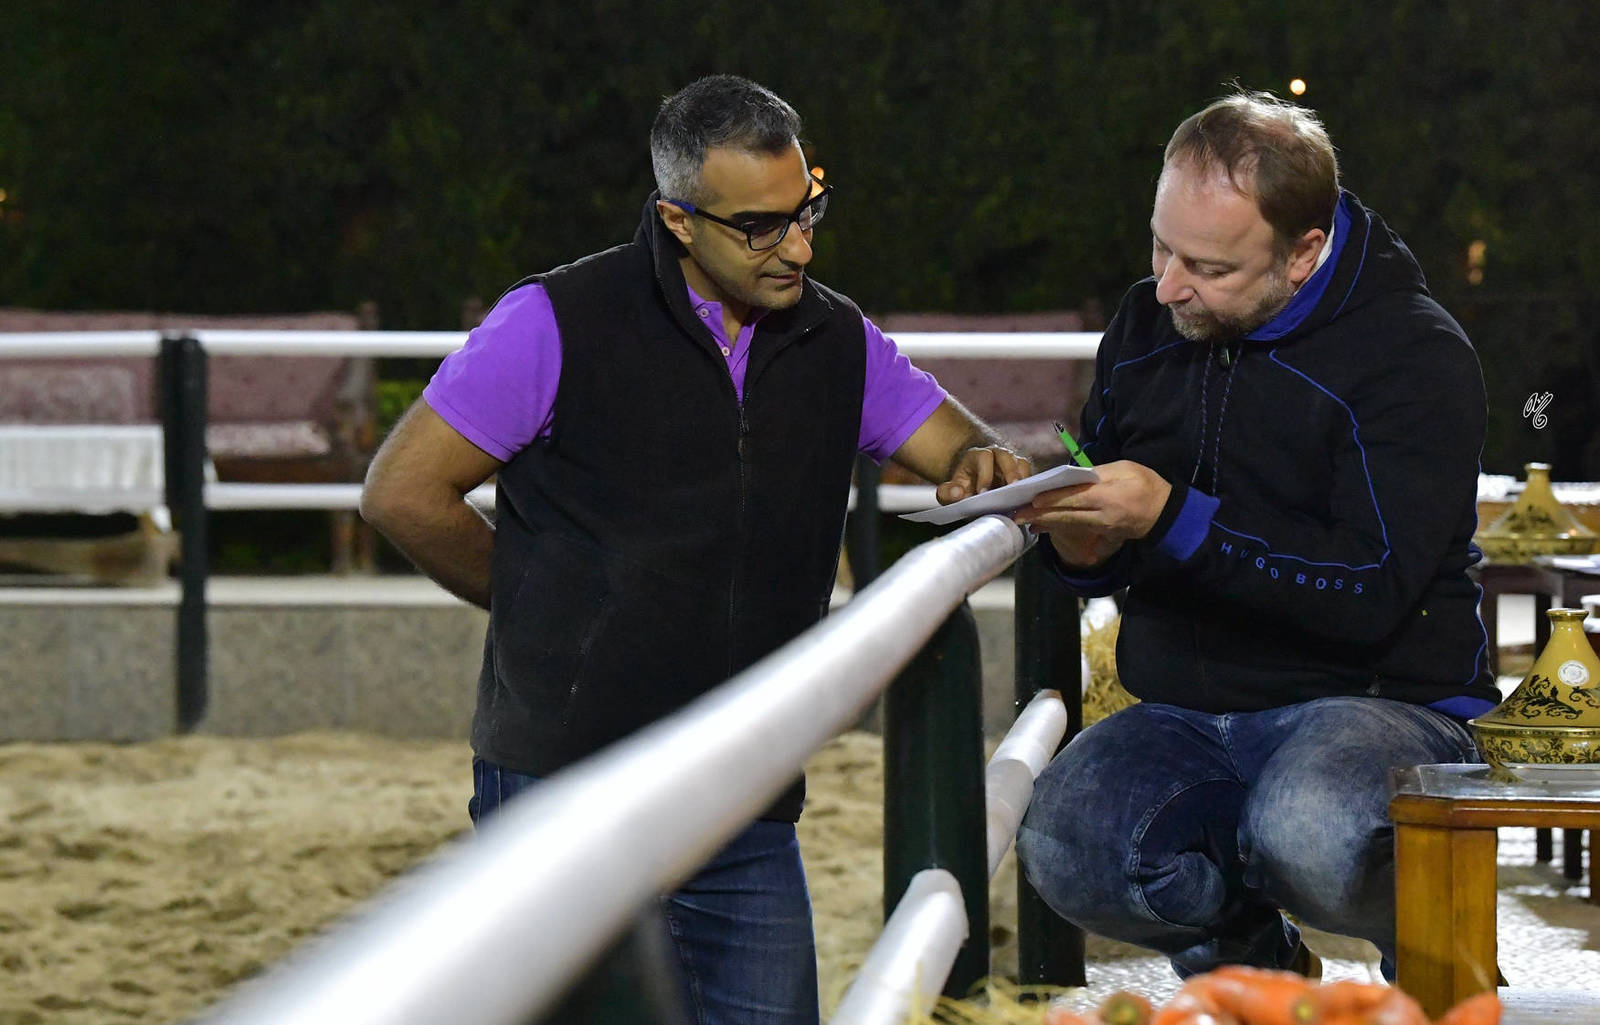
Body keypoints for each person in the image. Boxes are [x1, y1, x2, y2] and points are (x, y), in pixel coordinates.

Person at [359, 74, 1029, 1025]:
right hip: (566, 784)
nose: (796, 245)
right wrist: (539, 600)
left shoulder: (835, 338)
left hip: (744, 792)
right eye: (760, 226)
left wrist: (977, 461)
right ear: (677, 222)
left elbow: (953, 440)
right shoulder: (554, 320)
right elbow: (402, 491)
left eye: (808, 212)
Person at [1012, 90, 1500, 981]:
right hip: (1187, 707)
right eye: (1160, 245)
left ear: (1304, 254)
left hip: (1383, 700)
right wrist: (1080, 545)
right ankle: (1256, 970)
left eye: (1207, 265)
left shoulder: (1416, 356)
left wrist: (1170, 516)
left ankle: (1442, 956)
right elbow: (1110, 512)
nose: (1166, 286)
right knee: (1062, 842)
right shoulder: (1145, 320)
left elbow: (1370, 589)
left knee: (1309, 828)